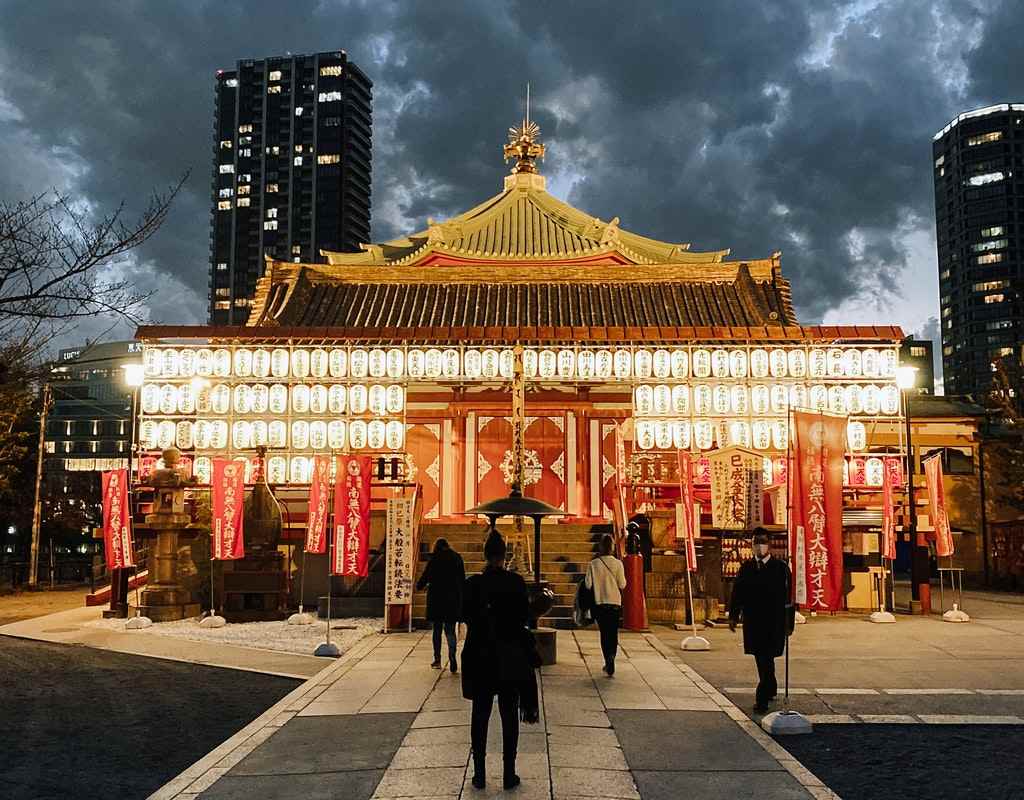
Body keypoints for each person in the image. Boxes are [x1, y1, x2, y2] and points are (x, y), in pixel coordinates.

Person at [461, 530, 540, 791]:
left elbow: (464, 615)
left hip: (481, 656)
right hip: (509, 657)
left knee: (480, 715)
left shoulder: (473, 585)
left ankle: (480, 773)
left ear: (485, 555)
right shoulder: (516, 582)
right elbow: (525, 616)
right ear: (504, 555)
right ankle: (509, 772)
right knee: (509, 714)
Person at [728, 528, 792, 713]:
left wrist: (789, 623)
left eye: (762, 541)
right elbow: (737, 593)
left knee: (767, 657)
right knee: (762, 658)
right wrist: (733, 616)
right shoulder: (746, 568)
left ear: (769, 543)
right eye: (756, 541)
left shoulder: (780, 568)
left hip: (774, 622)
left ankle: (763, 695)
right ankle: (768, 689)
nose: (759, 546)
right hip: (754, 621)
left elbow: (789, 598)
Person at [416, 537, 465, 672]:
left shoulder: (434, 559)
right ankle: (452, 656)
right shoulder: (457, 558)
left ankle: (437, 659)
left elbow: (425, 577)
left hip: (436, 600)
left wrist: (419, 586)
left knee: (437, 631)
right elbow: (462, 580)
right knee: (450, 631)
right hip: (452, 600)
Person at [585, 533, 627, 676]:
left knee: (604, 633)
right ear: (612, 547)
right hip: (614, 603)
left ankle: (607, 659)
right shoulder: (618, 564)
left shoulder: (593, 564)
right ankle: (612, 657)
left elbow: (588, 585)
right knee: (613, 633)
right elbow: (622, 584)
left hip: (600, 603)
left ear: (601, 547)